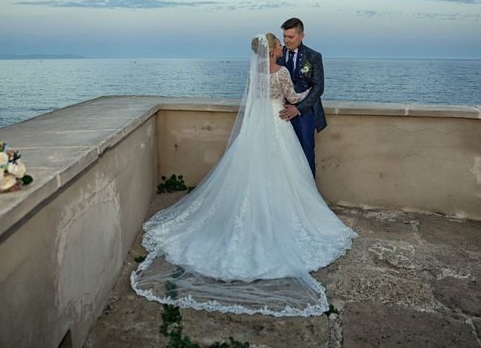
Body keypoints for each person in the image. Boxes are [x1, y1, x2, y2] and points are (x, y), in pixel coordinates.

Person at [131, 33, 357, 317]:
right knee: (284, 176)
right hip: (278, 127)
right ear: (273, 50)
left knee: (251, 176)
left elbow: (252, 101)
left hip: (255, 131)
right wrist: (307, 95)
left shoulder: (253, 74)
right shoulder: (283, 71)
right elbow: (294, 97)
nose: (280, 47)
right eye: (278, 44)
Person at [278, 18, 325, 177]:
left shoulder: (313, 56)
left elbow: (319, 87)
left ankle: (309, 194)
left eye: (290, 37)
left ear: (302, 36)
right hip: (281, 112)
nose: (286, 40)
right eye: (284, 36)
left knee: (306, 153)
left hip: (305, 113)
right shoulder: (277, 53)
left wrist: (298, 109)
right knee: (282, 154)